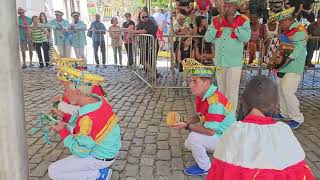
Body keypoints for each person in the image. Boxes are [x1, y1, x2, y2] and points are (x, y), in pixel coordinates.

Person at [206, 75, 315, 180]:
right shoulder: (284, 132)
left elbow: (219, 173)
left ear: (242, 101)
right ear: (275, 105)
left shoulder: (234, 131)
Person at [48, 67, 120, 180]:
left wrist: (62, 131)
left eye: (65, 90)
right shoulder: (99, 101)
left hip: (101, 158)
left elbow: (81, 152)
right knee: (74, 132)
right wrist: (63, 115)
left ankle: (98, 175)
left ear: (77, 92)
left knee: (54, 171)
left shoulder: (87, 119)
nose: (64, 94)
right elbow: (82, 122)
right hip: (111, 151)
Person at [170, 59, 236, 176]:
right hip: (223, 134)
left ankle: (206, 167)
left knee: (194, 139)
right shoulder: (205, 95)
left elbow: (210, 132)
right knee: (189, 143)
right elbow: (201, 115)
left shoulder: (215, 102)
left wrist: (187, 126)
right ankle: (214, 151)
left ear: (206, 83)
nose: (191, 84)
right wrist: (186, 121)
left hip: (228, 139)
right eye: (191, 81)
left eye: (195, 81)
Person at [205, 0, 251, 114]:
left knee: (232, 91)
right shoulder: (216, 19)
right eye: (224, 6)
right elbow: (207, 38)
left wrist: (233, 24)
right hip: (220, 61)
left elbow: (246, 38)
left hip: (234, 62)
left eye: (229, 6)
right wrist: (217, 25)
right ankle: (221, 113)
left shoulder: (243, 19)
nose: (226, 9)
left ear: (235, 7)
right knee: (221, 90)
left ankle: (230, 116)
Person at [271, 7, 307, 129]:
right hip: (283, 67)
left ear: (288, 20)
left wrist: (284, 60)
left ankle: (297, 117)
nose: (280, 24)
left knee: (287, 91)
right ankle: (284, 112)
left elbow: (298, 49)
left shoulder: (299, 30)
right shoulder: (287, 32)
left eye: (281, 22)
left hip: (293, 67)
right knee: (281, 90)